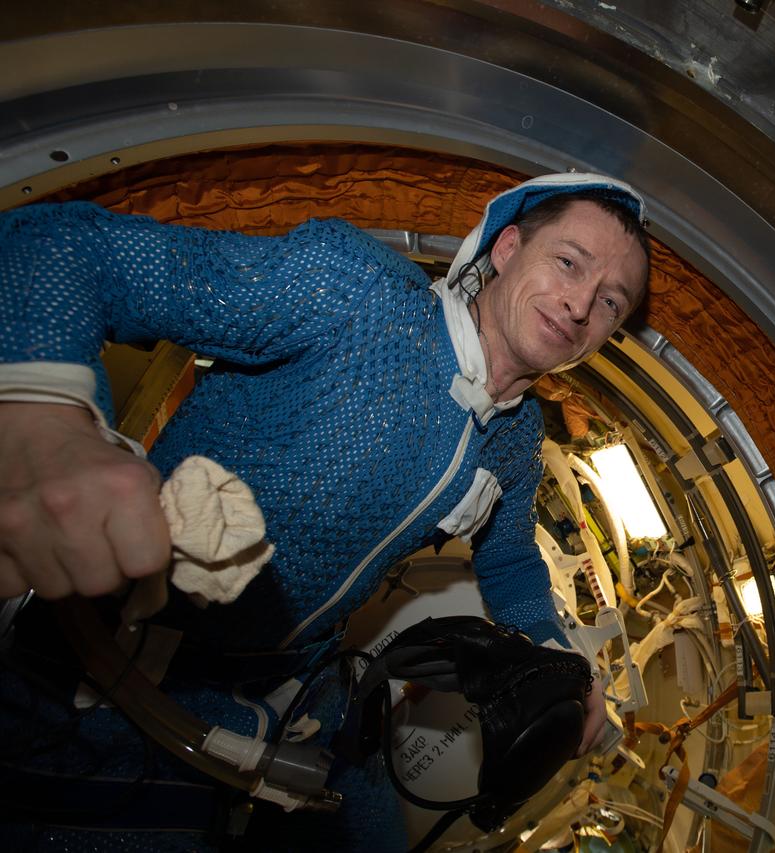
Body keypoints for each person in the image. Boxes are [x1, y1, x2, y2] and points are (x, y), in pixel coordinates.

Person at [0, 172, 651, 849]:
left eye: (610, 301)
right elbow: (67, 249)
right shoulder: (351, 292)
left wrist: (559, 660)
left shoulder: (517, 440)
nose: (580, 305)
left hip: (296, 704)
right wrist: (41, 412)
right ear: (508, 248)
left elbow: (511, 557)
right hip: (105, 682)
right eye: (568, 262)